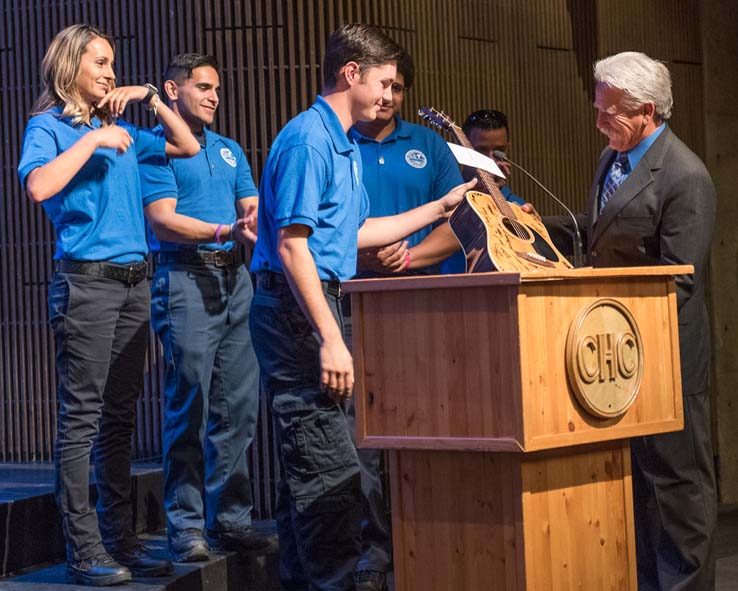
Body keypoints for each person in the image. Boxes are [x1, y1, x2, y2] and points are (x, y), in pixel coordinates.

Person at [248, 23, 475, 591]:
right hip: (298, 312)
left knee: (314, 471)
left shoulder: (342, 140)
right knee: (330, 475)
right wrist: (330, 336)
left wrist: (442, 205)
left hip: (318, 303)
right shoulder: (309, 139)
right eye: (385, 82)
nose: (389, 95)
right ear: (352, 73)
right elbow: (293, 245)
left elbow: (355, 231)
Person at [17, 24, 199, 586]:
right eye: (99, 62)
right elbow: (39, 187)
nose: (109, 72)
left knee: (118, 422)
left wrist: (149, 96)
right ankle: (83, 548)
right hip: (87, 285)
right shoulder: (48, 127)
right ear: (70, 66)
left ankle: (120, 541)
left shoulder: (120, 128)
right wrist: (90, 141)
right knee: (82, 422)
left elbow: (187, 145)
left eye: (113, 64)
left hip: (133, 286)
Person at [544, 51, 717, 591]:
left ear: (646, 110)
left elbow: (677, 278)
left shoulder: (685, 175)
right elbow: (601, 235)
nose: (598, 122)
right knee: (640, 495)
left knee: (678, 493)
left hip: (668, 359)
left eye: (608, 111)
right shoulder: (611, 157)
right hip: (619, 357)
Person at [139, 53, 277, 563]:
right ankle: (186, 525)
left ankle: (232, 520)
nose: (214, 95)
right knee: (189, 404)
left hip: (234, 280)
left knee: (237, 408)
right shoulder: (158, 149)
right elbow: (164, 222)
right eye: (202, 86)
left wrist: (256, 218)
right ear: (172, 92)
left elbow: (250, 208)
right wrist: (226, 230)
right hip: (184, 277)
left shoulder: (229, 149)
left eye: (217, 87)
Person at [345, 48, 465, 591]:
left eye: (398, 88)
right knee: (364, 437)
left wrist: (412, 255)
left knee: (427, 431)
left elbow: (461, 219)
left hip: (426, 312)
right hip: (356, 309)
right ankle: (375, 550)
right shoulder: (336, 142)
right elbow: (315, 229)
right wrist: (364, 255)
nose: (389, 97)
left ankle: (432, 540)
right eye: (382, 85)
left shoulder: (428, 143)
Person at [408, 108, 527, 272]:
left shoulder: (515, 204)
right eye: (481, 151)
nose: (491, 159)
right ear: (462, 148)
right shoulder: (444, 195)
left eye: (499, 151)